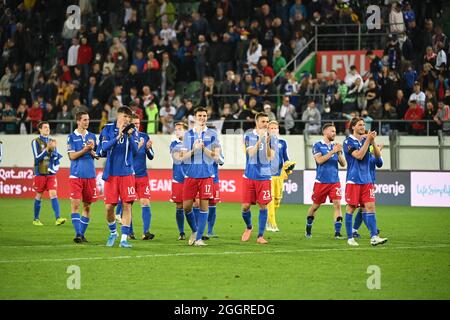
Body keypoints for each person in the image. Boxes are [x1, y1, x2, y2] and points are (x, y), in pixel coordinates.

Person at [343, 118, 388, 246]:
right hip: (354, 180)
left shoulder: (365, 140)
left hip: (367, 180)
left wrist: (372, 142)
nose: (363, 126)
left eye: (364, 124)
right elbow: (359, 156)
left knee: (369, 207)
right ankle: (350, 238)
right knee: (351, 208)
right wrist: (368, 140)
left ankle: (374, 236)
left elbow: (378, 156)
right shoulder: (348, 142)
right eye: (360, 125)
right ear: (353, 127)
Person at [180, 107, 220, 246]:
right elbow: (182, 158)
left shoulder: (213, 134)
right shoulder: (188, 135)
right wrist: (194, 150)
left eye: (204, 115)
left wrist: (203, 149)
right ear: (195, 118)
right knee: (186, 207)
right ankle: (195, 230)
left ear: (207, 117)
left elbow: (216, 156)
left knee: (204, 207)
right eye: (199, 115)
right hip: (190, 175)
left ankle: (198, 239)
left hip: (206, 175)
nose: (202, 118)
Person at [99, 106, 138, 248]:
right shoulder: (108, 129)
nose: (127, 120)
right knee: (109, 207)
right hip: (111, 174)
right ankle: (113, 232)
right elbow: (103, 148)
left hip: (127, 173)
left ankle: (124, 239)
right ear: (118, 116)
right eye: (125, 117)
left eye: (129, 117)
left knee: (127, 205)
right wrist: (118, 136)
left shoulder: (132, 131)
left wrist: (129, 137)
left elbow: (135, 151)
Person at [305, 123, 346, 239]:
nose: (334, 133)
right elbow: (319, 161)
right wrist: (332, 151)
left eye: (335, 131)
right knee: (315, 206)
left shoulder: (336, 146)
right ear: (325, 132)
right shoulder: (317, 145)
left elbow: (343, 164)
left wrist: (338, 153)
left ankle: (337, 233)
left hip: (334, 182)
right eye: (332, 131)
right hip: (321, 182)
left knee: (337, 204)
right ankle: (308, 226)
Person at [241, 113, 276, 244]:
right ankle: (249, 227)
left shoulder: (272, 138)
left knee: (263, 206)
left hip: (264, 177)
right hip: (249, 176)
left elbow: (270, 157)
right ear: (257, 122)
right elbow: (251, 153)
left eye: (267, 121)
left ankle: (260, 236)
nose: (266, 124)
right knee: (245, 207)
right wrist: (260, 139)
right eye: (263, 121)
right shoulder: (249, 136)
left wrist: (266, 143)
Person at [67, 112, 99, 243]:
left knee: (87, 206)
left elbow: (96, 155)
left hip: (90, 176)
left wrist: (92, 150)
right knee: (75, 205)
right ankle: (78, 233)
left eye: (88, 119)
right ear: (78, 121)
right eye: (84, 120)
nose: (87, 122)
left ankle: (81, 234)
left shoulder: (92, 136)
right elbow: (72, 156)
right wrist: (85, 150)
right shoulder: (71, 137)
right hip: (76, 175)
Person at [31, 121, 66, 226]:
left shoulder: (52, 141)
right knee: (39, 195)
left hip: (50, 173)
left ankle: (58, 218)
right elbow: (37, 159)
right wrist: (47, 150)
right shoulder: (35, 141)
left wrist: (54, 152)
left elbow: (55, 157)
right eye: (45, 127)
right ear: (40, 129)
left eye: (48, 127)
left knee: (53, 194)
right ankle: (36, 219)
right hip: (40, 173)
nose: (47, 129)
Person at [266, 121, 295, 232]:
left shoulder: (282, 142)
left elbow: (285, 157)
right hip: (268, 175)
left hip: (279, 175)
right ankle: (272, 224)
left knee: (277, 201)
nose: (273, 130)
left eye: (275, 128)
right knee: (271, 199)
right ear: (268, 130)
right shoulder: (266, 142)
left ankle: (269, 221)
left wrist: (289, 164)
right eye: (271, 128)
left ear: (278, 129)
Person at [131, 114, 155, 240]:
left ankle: (146, 232)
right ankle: (129, 231)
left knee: (145, 202)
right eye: (134, 124)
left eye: (138, 123)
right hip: (128, 176)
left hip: (142, 176)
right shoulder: (126, 137)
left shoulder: (145, 136)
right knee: (128, 204)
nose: (136, 126)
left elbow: (151, 156)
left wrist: (148, 148)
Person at [353, 144, 384, 238]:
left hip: (369, 184)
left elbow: (380, 163)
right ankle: (373, 231)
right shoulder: (366, 157)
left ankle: (354, 230)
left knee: (363, 208)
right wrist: (376, 151)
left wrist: (378, 152)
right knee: (365, 208)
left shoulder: (372, 157)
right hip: (362, 184)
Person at [170, 122, 188, 240]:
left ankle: (196, 231)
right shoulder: (173, 144)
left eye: (180, 129)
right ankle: (181, 232)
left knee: (195, 204)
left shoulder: (193, 142)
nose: (177, 131)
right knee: (179, 206)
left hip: (191, 177)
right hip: (178, 179)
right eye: (176, 129)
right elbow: (178, 157)